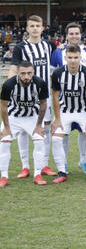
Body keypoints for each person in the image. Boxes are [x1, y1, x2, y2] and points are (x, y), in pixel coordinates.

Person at [9, 15, 57, 178]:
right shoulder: (20, 48)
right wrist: (9, 87)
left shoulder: (49, 45)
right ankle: (25, 166)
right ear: (27, 28)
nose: (35, 28)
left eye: (38, 25)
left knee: (45, 129)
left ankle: (43, 164)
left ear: (43, 28)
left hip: (45, 95)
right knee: (23, 130)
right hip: (25, 96)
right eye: (32, 26)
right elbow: (14, 68)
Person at [50, 44, 86, 183]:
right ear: (65, 58)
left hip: (83, 111)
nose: (72, 60)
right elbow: (55, 96)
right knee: (56, 138)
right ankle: (62, 171)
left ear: (80, 58)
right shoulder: (58, 73)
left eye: (75, 57)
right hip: (65, 111)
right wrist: (57, 119)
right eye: (70, 57)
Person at [0, 61, 49, 187]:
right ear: (17, 73)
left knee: (39, 139)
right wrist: (6, 127)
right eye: (23, 73)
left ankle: (37, 174)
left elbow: (43, 104)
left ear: (33, 72)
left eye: (29, 73)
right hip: (14, 117)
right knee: (4, 141)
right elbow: (4, 106)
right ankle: (4, 176)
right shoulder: (9, 84)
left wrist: (39, 125)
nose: (26, 76)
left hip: (32, 117)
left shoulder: (40, 83)